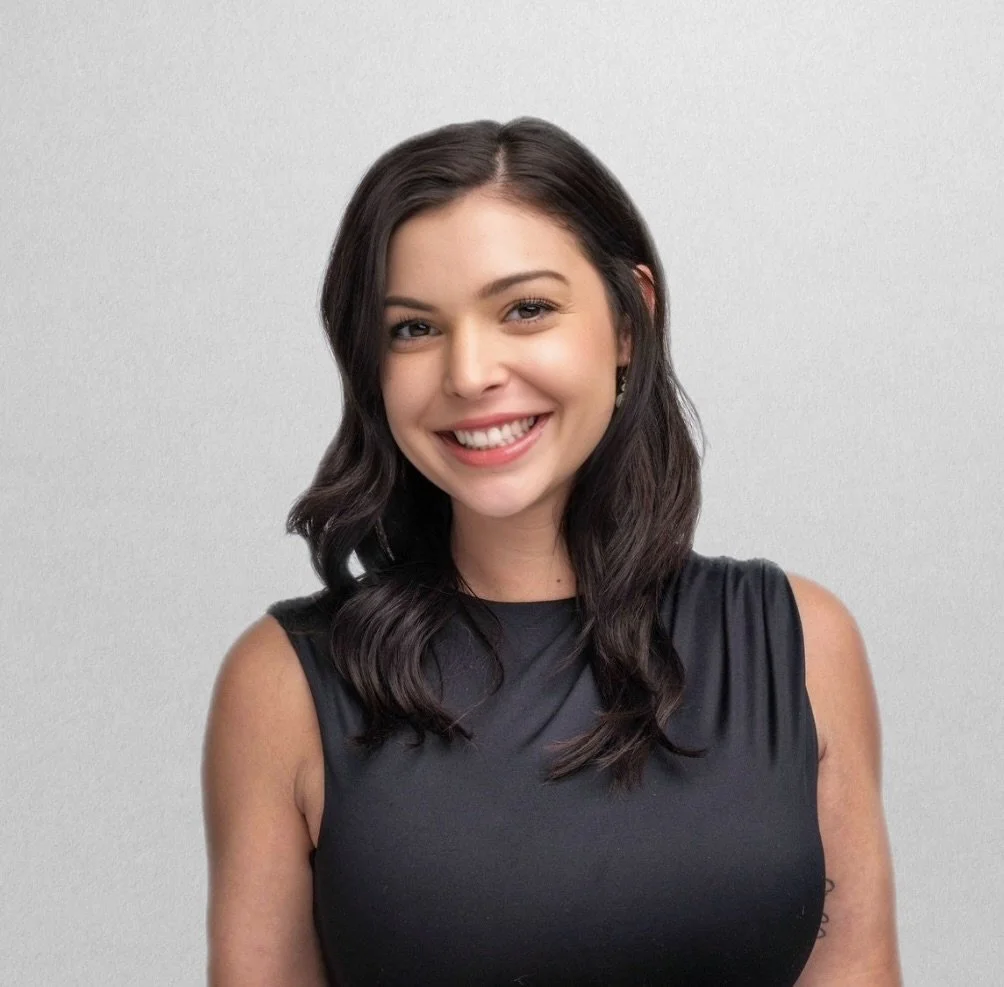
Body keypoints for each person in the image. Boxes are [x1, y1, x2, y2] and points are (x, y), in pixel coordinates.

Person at [201, 117, 901, 986]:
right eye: (414, 329)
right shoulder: (285, 687)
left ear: (628, 321)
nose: (468, 372)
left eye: (525, 309)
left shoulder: (799, 642)